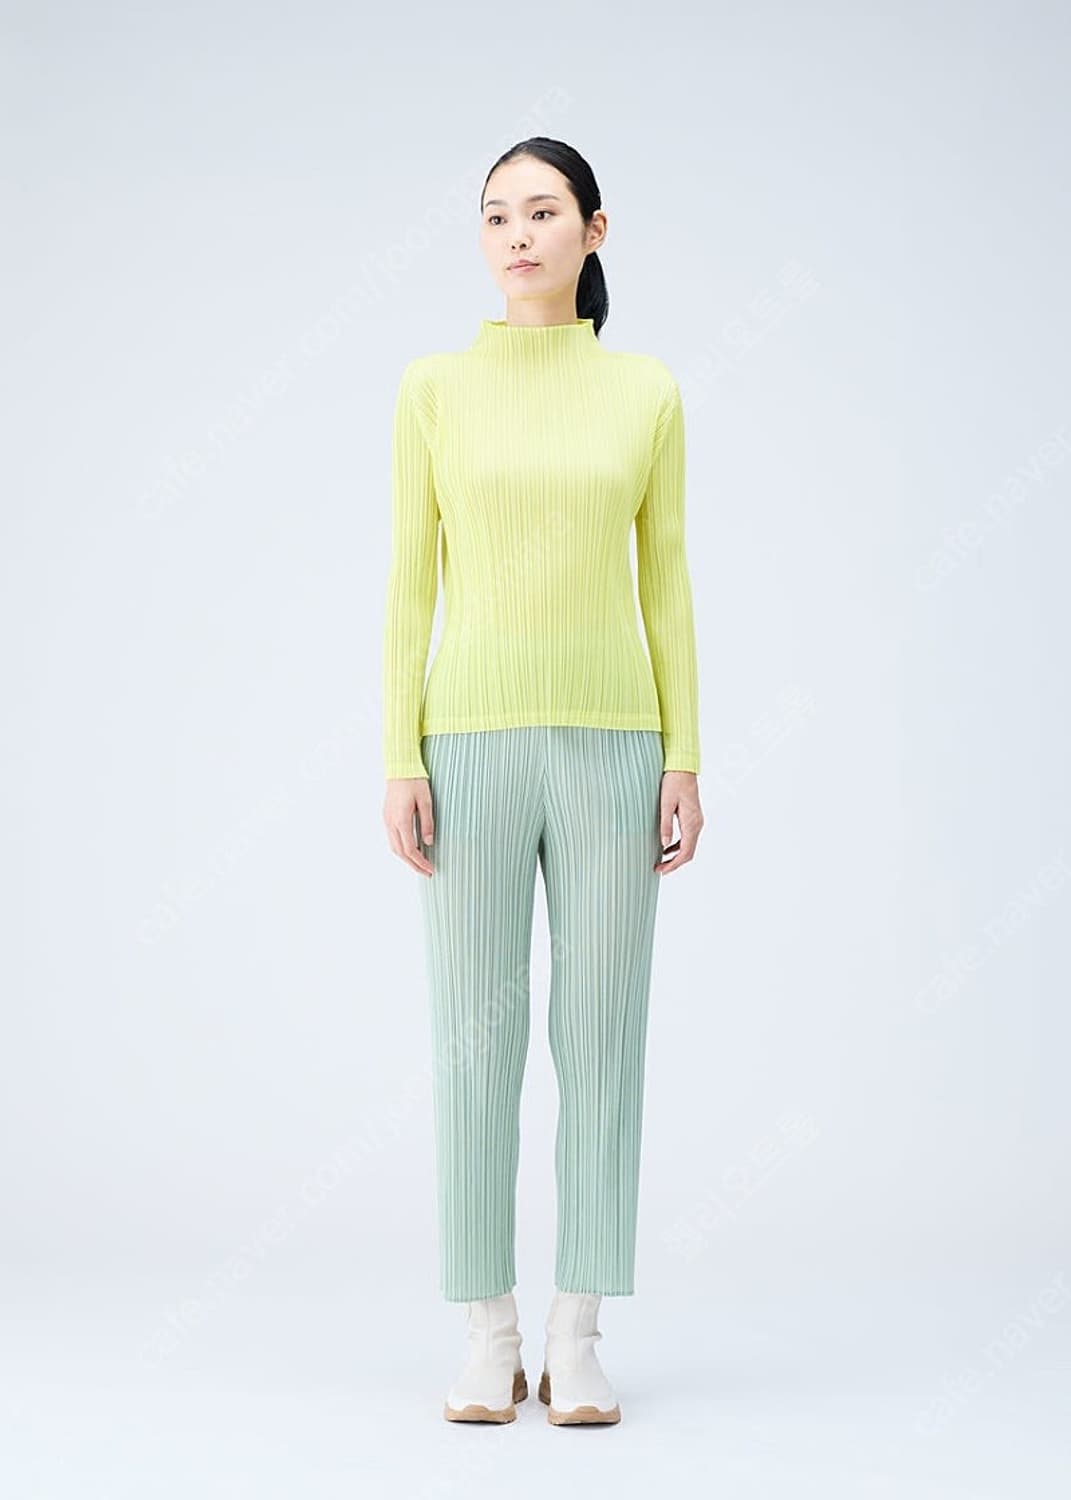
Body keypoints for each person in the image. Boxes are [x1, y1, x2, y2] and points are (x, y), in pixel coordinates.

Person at [381, 136, 704, 1427]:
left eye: (543, 212)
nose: (517, 236)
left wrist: (684, 754)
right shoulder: (432, 390)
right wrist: (399, 753)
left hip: (615, 744)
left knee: (603, 1035)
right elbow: (408, 588)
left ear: (595, 230)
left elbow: (667, 584)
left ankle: (577, 1331)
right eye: (496, 216)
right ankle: (487, 1330)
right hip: (468, 743)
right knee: (475, 1038)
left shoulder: (646, 393)